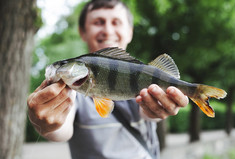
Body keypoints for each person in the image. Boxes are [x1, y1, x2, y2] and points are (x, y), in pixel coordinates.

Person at [27, 0, 189, 158]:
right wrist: (46, 124)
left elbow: (146, 113)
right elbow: (62, 130)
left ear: (130, 32)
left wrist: (156, 109)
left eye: (116, 22)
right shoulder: (73, 92)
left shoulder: (146, 74)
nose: (108, 30)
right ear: (82, 32)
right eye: (98, 22)